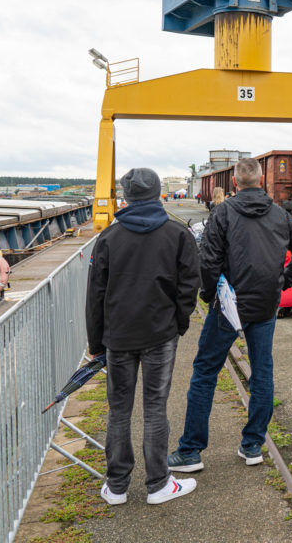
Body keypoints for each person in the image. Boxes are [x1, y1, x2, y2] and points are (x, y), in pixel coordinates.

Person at [168, 158, 292, 474]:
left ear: (235, 183)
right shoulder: (279, 214)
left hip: (229, 304)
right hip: (264, 305)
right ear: (262, 182)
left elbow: (208, 261)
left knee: (205, 371)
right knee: (262, 371)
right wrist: (282, 282)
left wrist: (209, 296)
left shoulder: (223, 213)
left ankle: (191, 450)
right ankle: (252, 445)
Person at [88, 167, 201, 506]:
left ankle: (117, 486)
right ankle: (158, 484)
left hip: (118, 336)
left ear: (126, 196)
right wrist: (179, 323)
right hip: (160, 333)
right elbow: (189, 286)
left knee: (118, 409)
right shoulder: (177, 234)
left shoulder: (108, 237)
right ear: (157, 194)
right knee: (155, 408)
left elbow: (95, 295)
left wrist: (97, 343)